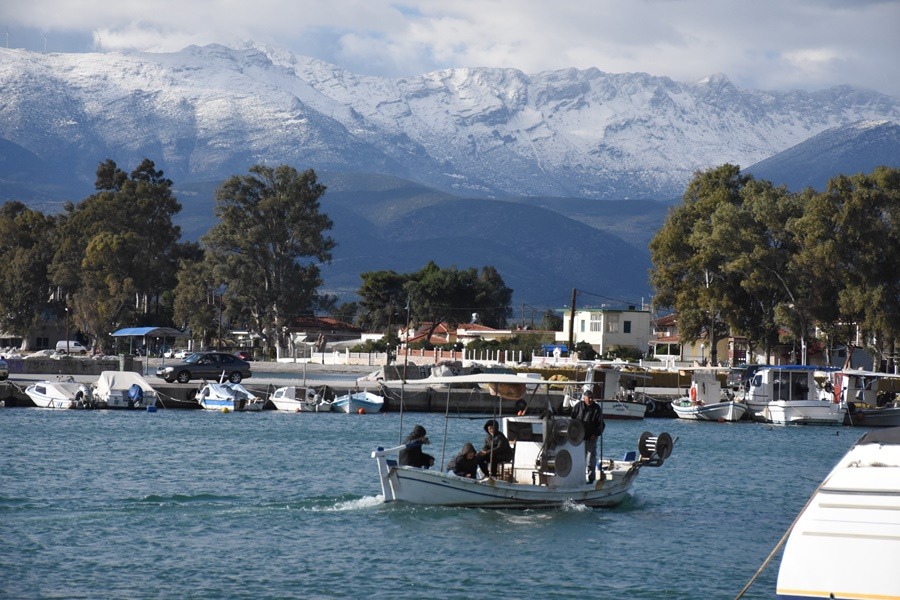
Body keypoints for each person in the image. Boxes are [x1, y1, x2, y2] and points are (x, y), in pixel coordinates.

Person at [570, 388, 605, 483]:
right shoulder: (578, 406)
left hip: (591, 437)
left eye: (591, 398)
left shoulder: (597, 408)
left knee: (590, 459)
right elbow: (572, 419)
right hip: (578, 438)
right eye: (588, 398)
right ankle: (577, 478)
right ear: (584, 398)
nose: (590, 400)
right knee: (578, 458)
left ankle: (591, 479)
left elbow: (601, 424)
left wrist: (596, 434)